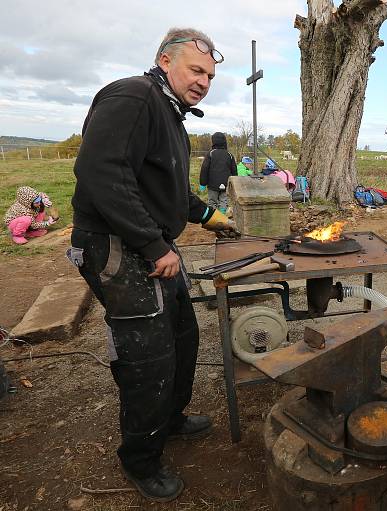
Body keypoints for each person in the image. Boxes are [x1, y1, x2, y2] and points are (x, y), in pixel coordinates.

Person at [68, 27, 237, 502]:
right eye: (196, 69)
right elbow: (101, 173)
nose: (204, 81)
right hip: (117, 246)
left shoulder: (170, 114)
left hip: (153, 242)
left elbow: (167, 188)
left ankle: (171, 418)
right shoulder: (133, 97)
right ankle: (141, 459)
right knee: (149, 355)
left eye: (210, 74)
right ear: (165, 61)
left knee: (183, 333)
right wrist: (152, 244)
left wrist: (208, 214)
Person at [199, 132, 236, 214]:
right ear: (224, 142)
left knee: (212, 201)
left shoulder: (211, 154)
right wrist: (234, 184)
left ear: (213, 141)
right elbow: (234, 171)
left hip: (212, 185)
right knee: (224, 201)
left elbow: (204, 169)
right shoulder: (229, 155)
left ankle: (213, 218)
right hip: (225, 184)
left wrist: (203, 183)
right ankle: (222, 217)